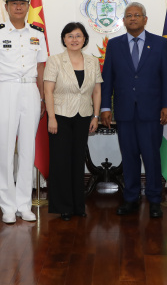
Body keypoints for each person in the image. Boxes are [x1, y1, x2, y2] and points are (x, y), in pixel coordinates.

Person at [100, 2, 167, 218]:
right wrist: (106, 107)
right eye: (128, 16)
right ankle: (130, 198)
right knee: (129, 156)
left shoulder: (160, 44)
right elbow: (108, 80)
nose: (133, 18)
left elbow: (166, 78)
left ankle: (154, 200)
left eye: (137, 15)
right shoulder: (114, 45)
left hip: (152, 112)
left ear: (145, 19)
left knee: (152, 157)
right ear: (123, 21)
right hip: (124, 113)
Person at [0, 0, 47, 224]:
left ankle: (24, 204)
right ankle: (8, 205)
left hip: (30, 90)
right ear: (6, 6)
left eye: (23, 3)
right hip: (5, 90)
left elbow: (42, 68)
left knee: (28, 148)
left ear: (28, 6)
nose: (19, 6)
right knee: (6, 148)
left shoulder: (37, 34)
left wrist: (41, 97)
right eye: (14, 3)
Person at [43, 22, 102, 220]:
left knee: (78, 161)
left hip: (83, 116)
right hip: (59, 116)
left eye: (78, 36)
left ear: (84, 39)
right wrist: (51, 117)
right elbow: (48, 90)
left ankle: (78, 205)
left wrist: (95, 116)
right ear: (63, 39)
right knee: (61, 162)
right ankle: (63, 207)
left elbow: (96, 90)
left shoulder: (93, 61)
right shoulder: (55, 61)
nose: (74, 39)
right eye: (70, 36)